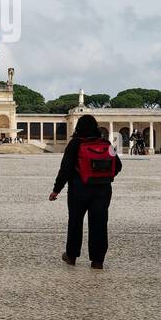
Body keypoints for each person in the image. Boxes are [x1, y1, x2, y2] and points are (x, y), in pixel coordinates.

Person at [49, 114, 122, 270]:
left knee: (75, 221)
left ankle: (71, 256)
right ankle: (97, 261)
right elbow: (118, 166)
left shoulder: (75, 144)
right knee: (99, 224)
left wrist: (56, 190)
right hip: (103, 190)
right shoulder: (105, 143)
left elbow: (65, 169)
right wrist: (104, 177)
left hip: (79, 188)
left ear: (78, 127)